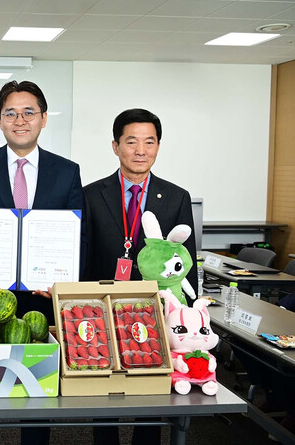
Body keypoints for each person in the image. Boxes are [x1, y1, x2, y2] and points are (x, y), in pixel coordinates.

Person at [0, 80, 84, 445]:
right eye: (10, 113)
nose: (20, 120)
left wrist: (62, 284)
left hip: (41, 301)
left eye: (29, 112)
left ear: (44, 118)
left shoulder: (67, 171)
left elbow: (77, 235)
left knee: (36, 393)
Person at [83, 108, 197, 445]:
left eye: (149, 142)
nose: (140, 150)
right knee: (105, 387)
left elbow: (186, 260)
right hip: (103, 303)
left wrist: (187, 315)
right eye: (131, 141)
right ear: (115, 146)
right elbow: (84, 255)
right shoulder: (91, 195)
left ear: (158, 146)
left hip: (157, 307)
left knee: (151, 388)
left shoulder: (177, 197)